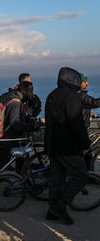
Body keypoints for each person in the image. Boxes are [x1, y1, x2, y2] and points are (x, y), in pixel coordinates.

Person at [44, 67, 91, 225]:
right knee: (81, 175)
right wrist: (85, 142)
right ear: (73, 81)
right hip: (68, 145)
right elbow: (76, 124)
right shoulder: (71, 97)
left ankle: (52, 210)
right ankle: (60, 205)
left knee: (57, 178)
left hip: (53, 144)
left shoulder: (52, 95)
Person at [0, 80, 39, 175]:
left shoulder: (18, 102)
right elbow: (15, 122)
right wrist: (31, 127)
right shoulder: (15, 103)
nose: (32, 94)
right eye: (30, 91)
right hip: (10, 139)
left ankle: (24, 183)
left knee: (20, 164)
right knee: (0, 166)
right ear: (23, 91)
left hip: (15, 139)